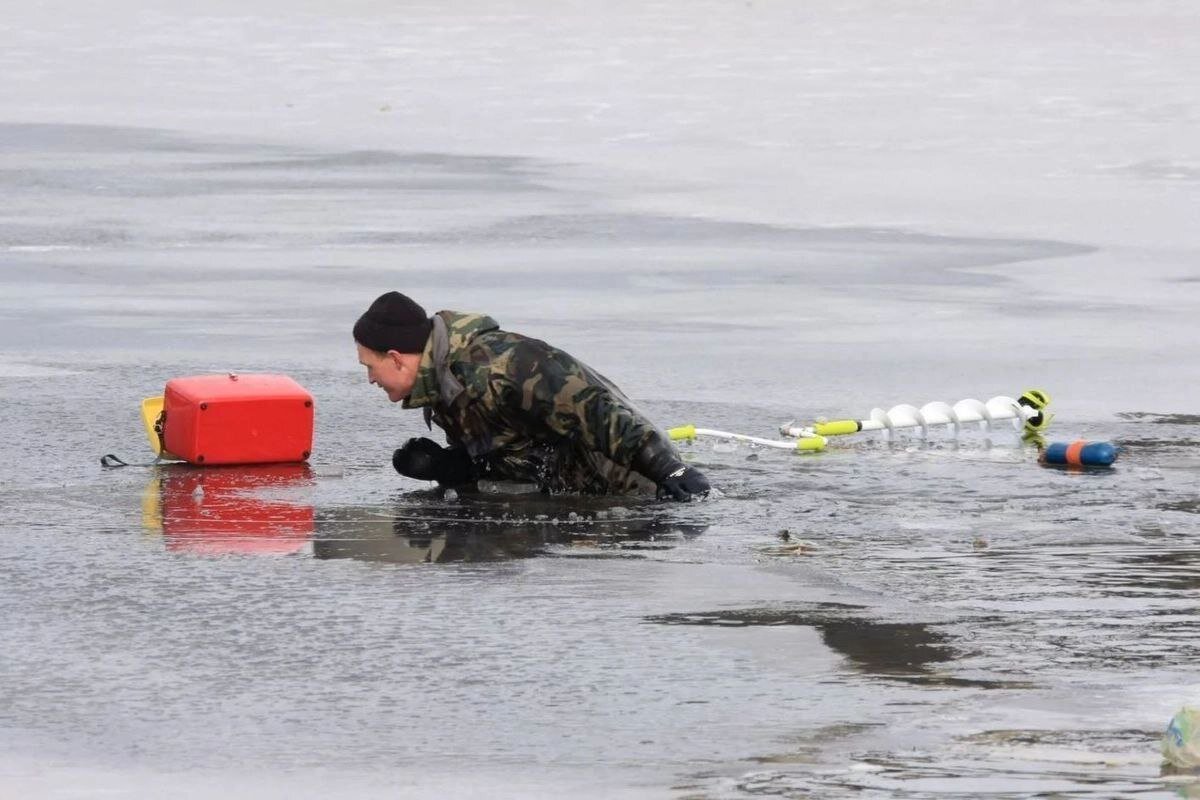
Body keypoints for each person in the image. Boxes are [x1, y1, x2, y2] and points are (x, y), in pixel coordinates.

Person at [353, 291, 710, 500]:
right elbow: (505, 449)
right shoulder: (443, 383)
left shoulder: (500, 364)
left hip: (630, 489)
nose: (370, 379)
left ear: (396, 359)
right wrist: (447, 467)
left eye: (370, 366)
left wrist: (671, 470)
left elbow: (595, 407)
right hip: (561, 492)